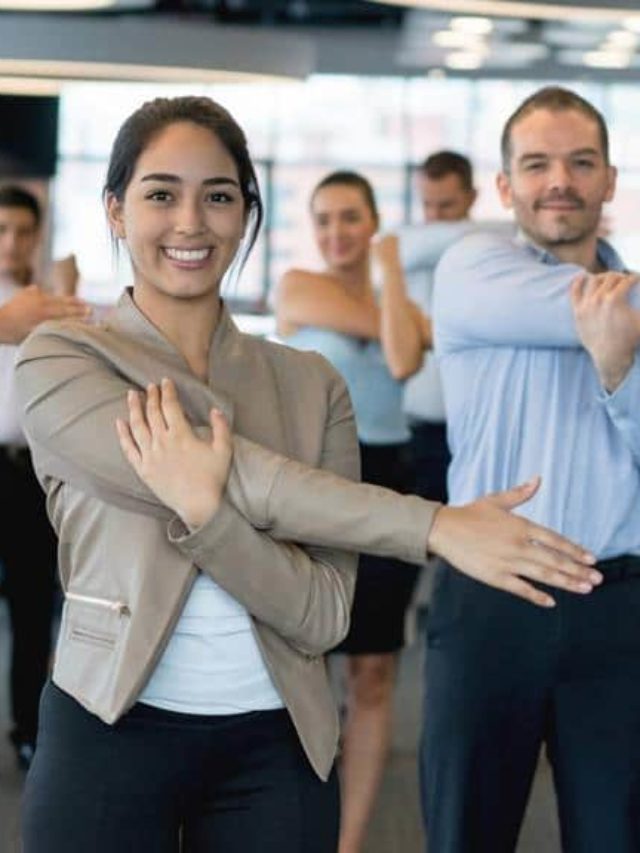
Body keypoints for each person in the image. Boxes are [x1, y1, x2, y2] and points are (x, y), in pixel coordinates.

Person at [14, 96, 600, 853]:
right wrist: (433, 524)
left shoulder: (310, 383)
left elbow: (322, 616)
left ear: (246, 214)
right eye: (161, 193)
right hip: (105, 725)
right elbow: (257, 479)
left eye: (219, 196)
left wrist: (210, 516)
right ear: (117, 210)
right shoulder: (63, 357)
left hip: (275, 744)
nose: (191, 221)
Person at [424, 85, 640, 852]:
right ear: (506, 186)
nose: (561, 181)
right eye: (539, 164)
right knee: (465, 836)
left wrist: (621, 372)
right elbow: (586, 310)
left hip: (618, 609)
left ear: (610, 180)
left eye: (582, 163)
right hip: (491, 601)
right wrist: (618, 334)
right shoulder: (474, 267)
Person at [274, 170, 428, 853]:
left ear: (373, 222)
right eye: (325, 219)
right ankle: (293, 825)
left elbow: (399, 357)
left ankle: (352, 841)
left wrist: (389, 271)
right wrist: (393, 276)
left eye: (351, 219)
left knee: (373, 671)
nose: (337, 232)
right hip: (320, 479)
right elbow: (403, 350)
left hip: (392, 478)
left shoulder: (398, 296)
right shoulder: (299, 288)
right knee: (306, 664)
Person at [0, 184, 88, 770]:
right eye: (2, 230)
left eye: (23, 231)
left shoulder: (46, 301)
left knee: (35, 609)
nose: (12, 242)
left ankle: (29, 732)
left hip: (31, 470)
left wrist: (68, 296)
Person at [403, 151, 478, 505]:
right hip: (415, 427)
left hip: (472, 428)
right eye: (427, 205)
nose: (434, 218)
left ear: (471, 197)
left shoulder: (488, 253)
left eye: (445, 206)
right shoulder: (406, 250)